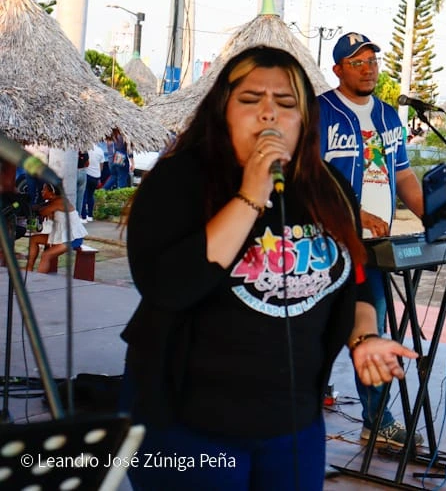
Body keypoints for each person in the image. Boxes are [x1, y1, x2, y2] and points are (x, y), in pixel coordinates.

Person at [120, 46, 417, 490]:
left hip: (292, 423)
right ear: (222, 111)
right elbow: (168, 285)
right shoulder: (179, 179)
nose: (268, 115)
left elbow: (352, 288)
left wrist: (365, 338)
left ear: (305, 119)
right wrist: (251, 195)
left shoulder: (329, 189)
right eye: (250, 100)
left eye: (286, 103)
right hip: (186, 424)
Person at [318, 31, 426, 447]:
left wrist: (432, 214)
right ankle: (303, 401)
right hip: (326, 242)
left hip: (373, 249)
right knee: (316, 324)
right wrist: (352, 212)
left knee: (372, 326)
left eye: (373, 62)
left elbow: (403, 174)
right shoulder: (320, 111)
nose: (368, 69)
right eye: (358, 63)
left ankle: (377, 421)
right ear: (339, 70)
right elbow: (306, 179)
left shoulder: (387, 116)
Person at [26, 183, 87, 273]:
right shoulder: (52, 201)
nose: (42, 192)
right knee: (34, 239)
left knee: (46, 255)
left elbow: (42, 212)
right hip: (61, 235)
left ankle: (39, 279)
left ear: (52, 193)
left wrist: (34, 208)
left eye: (44, 190)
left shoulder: (60, 202)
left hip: (73, 238)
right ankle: (29, 268)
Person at [81, 142, 105, 222]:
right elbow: (101, 166)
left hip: (87, 175)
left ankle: (83, 217)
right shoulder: (100, 151)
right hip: (96, 176)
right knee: (91, 196)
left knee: (84, 195)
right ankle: (90, 216)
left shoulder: (86, 149)